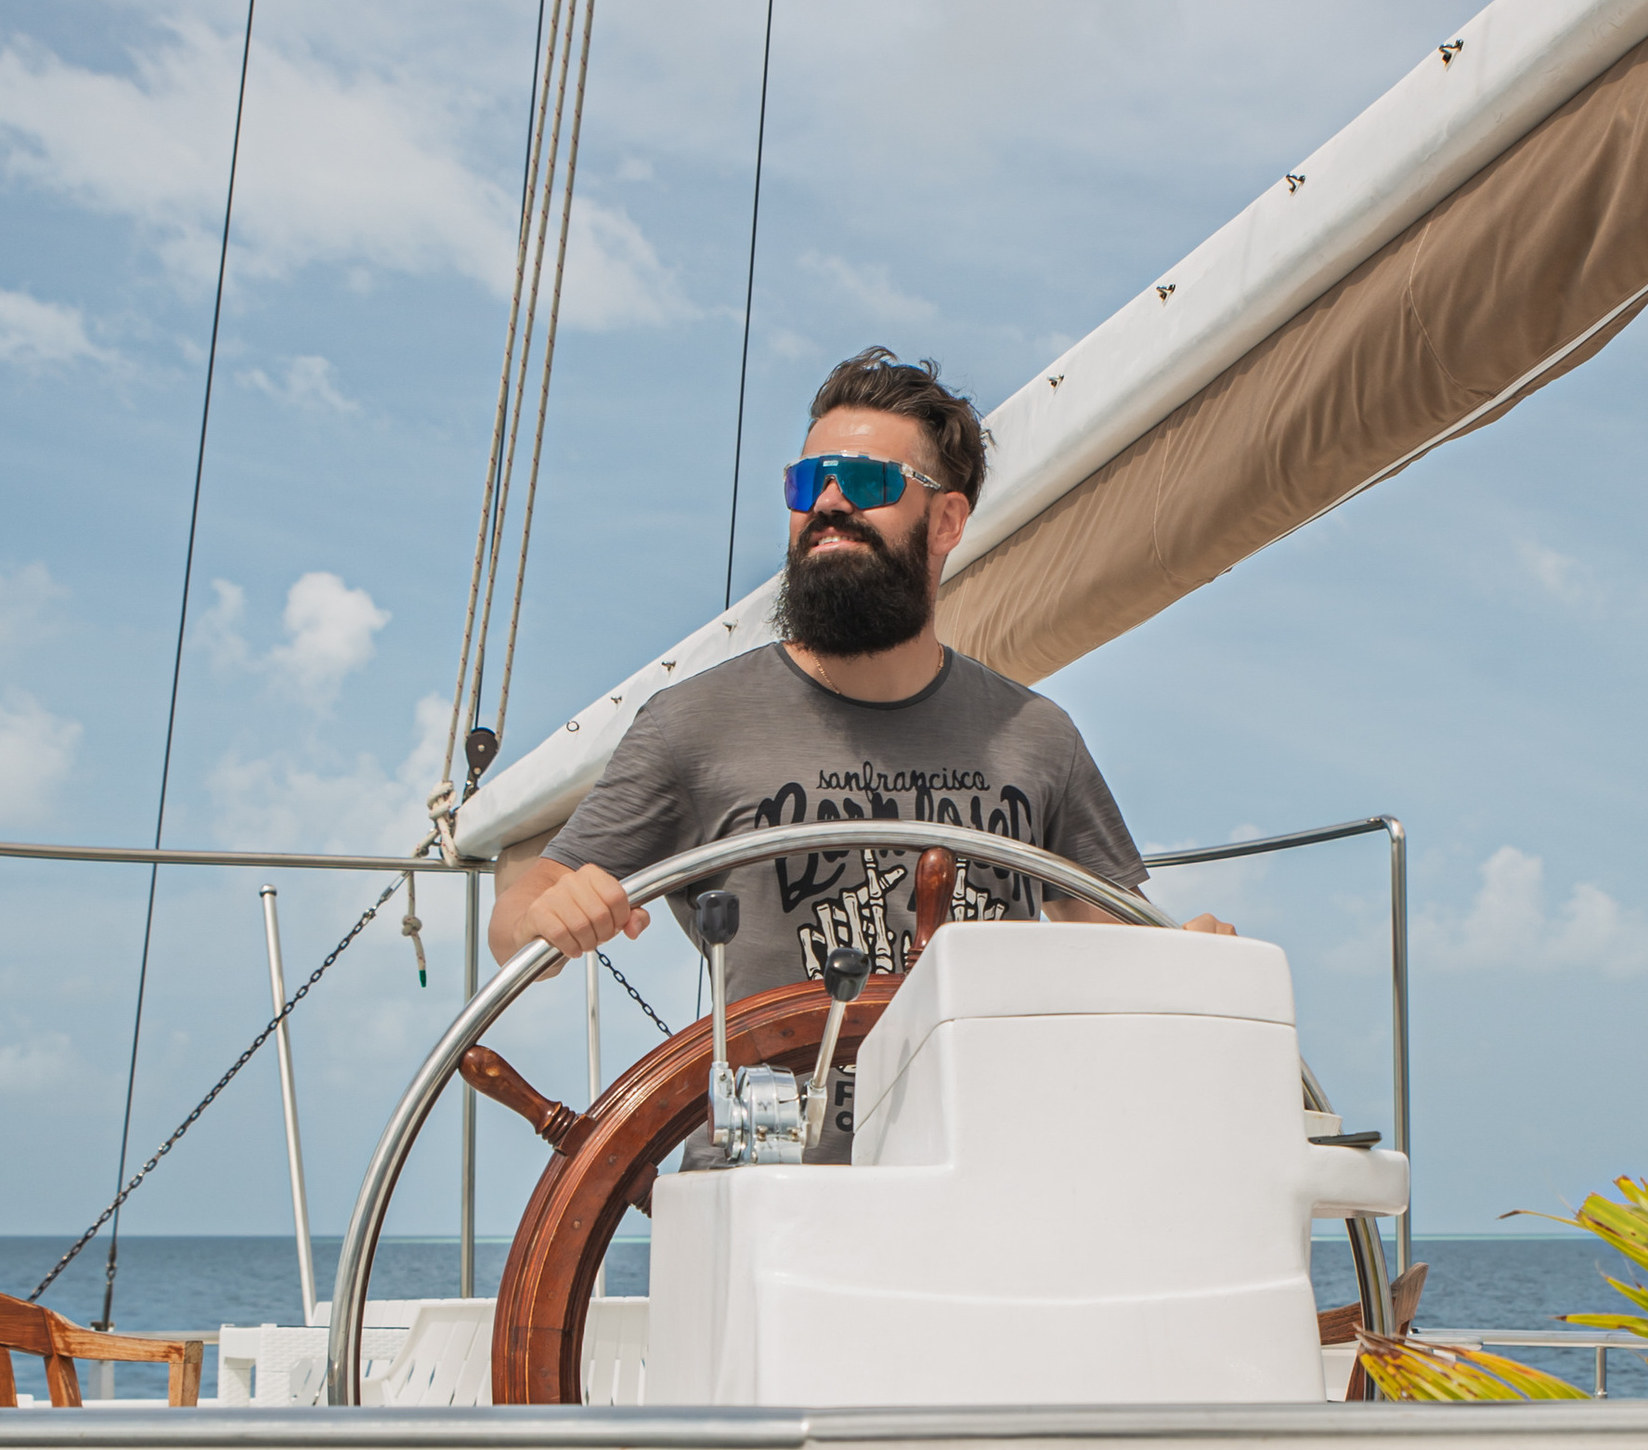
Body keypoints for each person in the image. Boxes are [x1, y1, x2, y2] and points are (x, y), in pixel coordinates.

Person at [490, 347, 1233, 1008]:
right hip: (766, 1164)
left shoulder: (1036, 737)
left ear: (946, 522)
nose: (830, 502)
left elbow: (1127, 951)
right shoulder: (692, 723)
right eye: (808, 479)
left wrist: (1189, 959)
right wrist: (545, 914)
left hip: (981, 1152)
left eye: (867, 480)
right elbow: (515, 922)